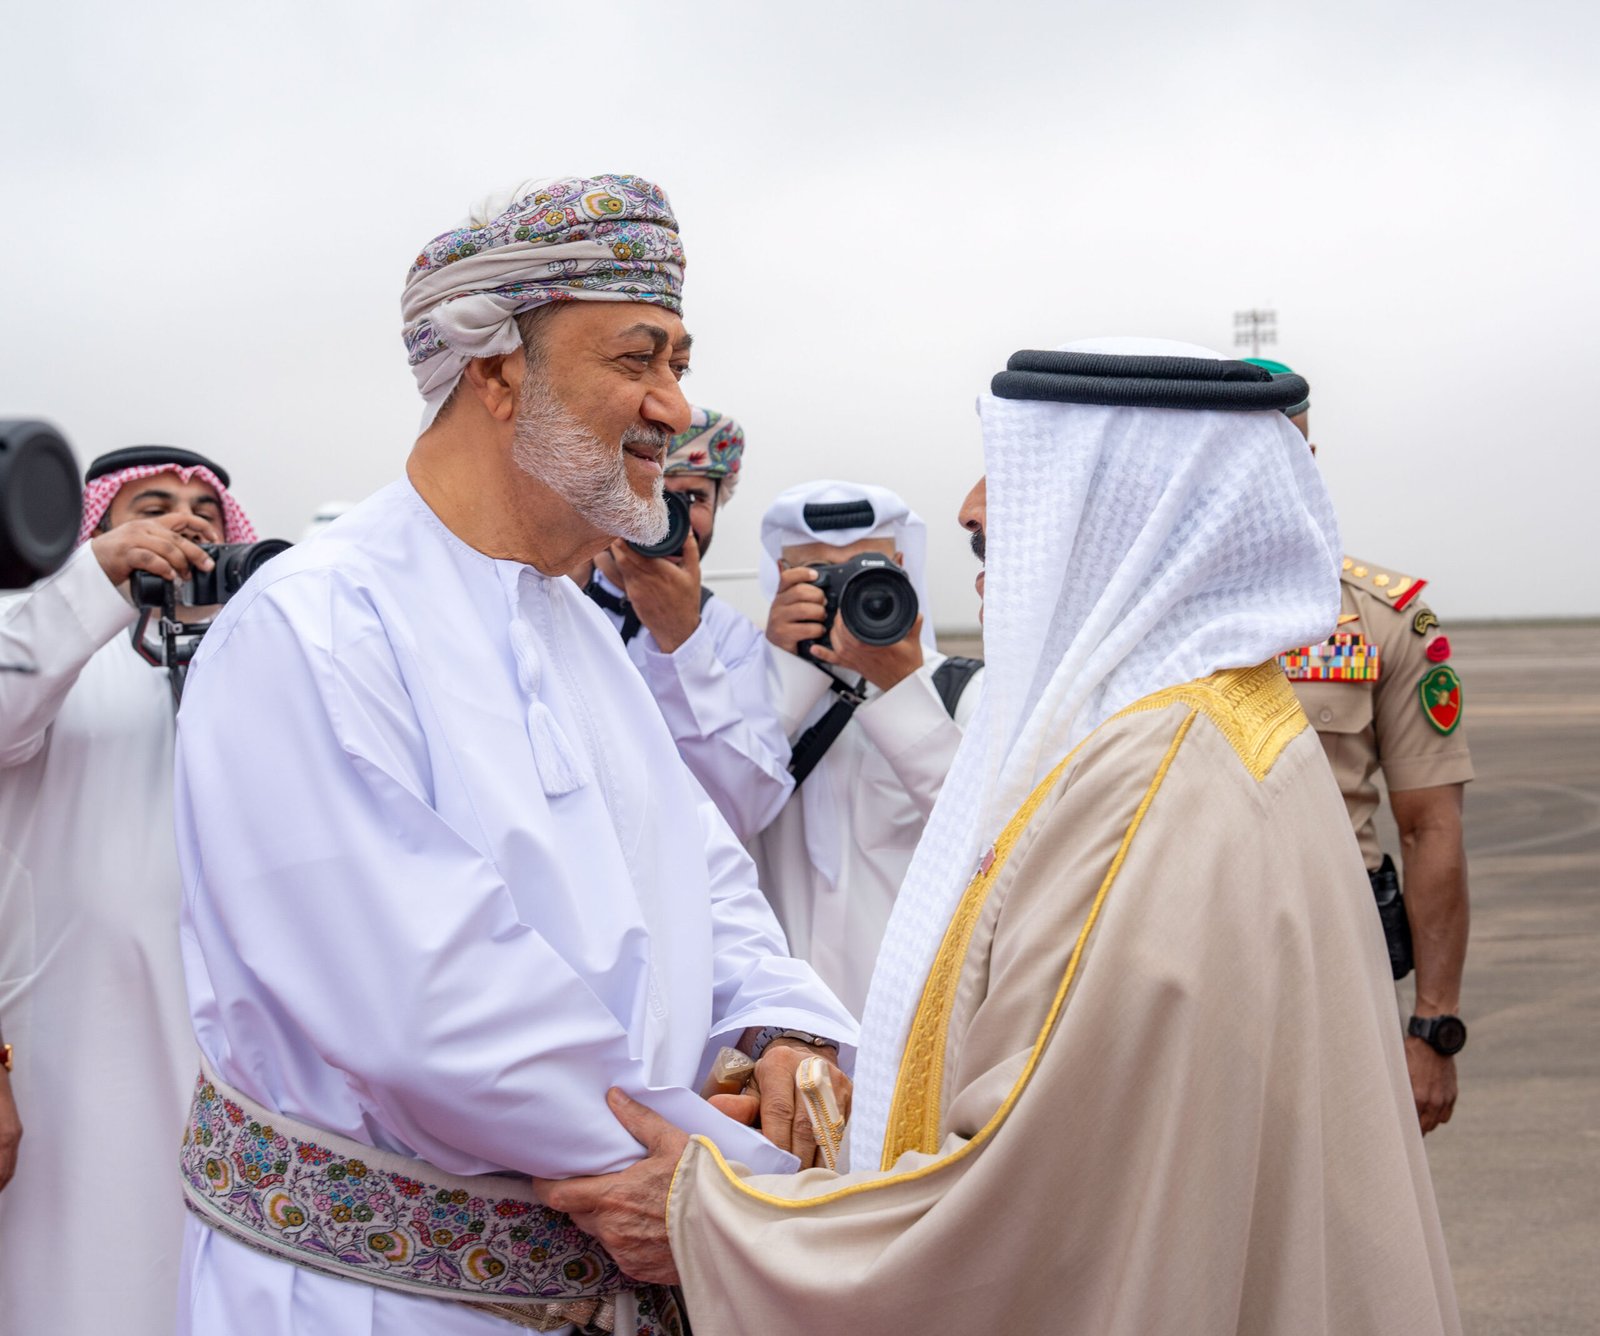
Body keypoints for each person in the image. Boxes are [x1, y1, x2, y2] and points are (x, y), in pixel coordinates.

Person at [536, 340, 1462, 1336]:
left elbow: (1017, 1195)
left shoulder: (1151, 783)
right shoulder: (1212, 724)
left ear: (1117, 523)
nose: (975, 526)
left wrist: (716, 1219)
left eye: (1006, 511)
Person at [172, 174, 855, 1336]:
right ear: (496, 373)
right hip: (377, 1303)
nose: (674, 405)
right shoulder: (317, 626)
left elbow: (701, 872)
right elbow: (437, 1014)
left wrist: (781, 1028)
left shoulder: (574, 628)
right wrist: (745, 1183)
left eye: (679, 361)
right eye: (638, 358)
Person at [0, 445, 253, 1336]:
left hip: (232, 1070)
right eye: (151, 508)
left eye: (205, 511)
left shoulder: (251, 670)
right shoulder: (44, 645)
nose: (186, 520)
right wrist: (93, 585)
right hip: (74, 1055)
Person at [1250, 357, 1473, 1135]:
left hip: (1338, 961)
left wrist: (1433, 1027)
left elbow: (1430, 825)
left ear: (1305, 458)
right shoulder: (1136, 616)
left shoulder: (1382, 617)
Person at [753, 482, 982, 1015]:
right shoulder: (741, 702)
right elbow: (717, 814)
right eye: (820, 576)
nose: (847, 593)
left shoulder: (965, 691)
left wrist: (902, 690)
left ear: (899, 568)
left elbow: (988, 840)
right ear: (783, 579)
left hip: (915, 1019)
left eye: (865, 571)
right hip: (787, 1024)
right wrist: (784, 677)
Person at [574, 407, 792, 839]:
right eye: (650, 489)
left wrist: (682, 641)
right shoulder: (550, 598)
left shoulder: (731, 635)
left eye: (694, 499)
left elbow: (749, 807)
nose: (667, 514)